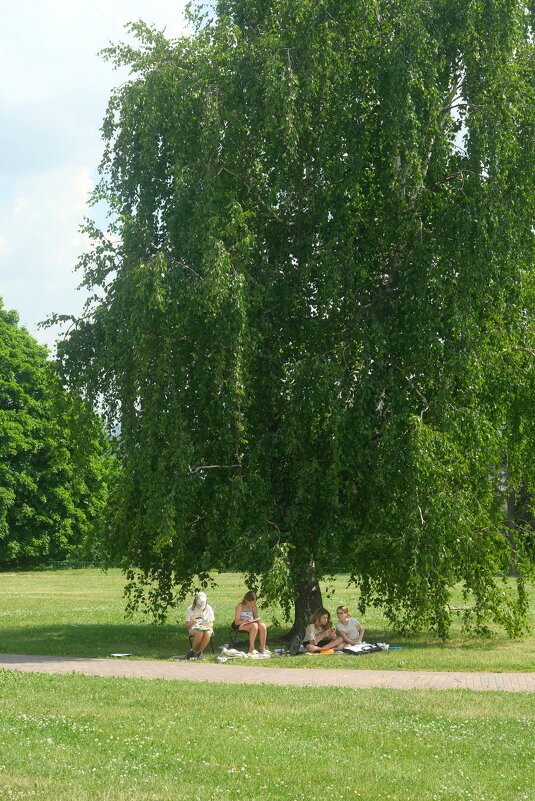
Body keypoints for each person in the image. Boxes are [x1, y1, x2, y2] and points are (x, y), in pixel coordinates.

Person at [233, 590, 270, 656]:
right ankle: (251, 649)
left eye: (253, 603)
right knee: (254, 626)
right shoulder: (240, 606)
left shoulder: (254, 607)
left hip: (250, 623)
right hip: (240, 624)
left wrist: (257, 620)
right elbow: (236, 622)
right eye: (250, 603)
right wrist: (246, 621)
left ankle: (262, 648)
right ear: (246, 600)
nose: (251, 605)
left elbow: (256, 619)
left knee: (263, 626)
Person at [184, 592, 214, 660]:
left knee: (208, 633)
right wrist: (192, 622)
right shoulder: (190, 609)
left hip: (206, 628)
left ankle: (200, 652)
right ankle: (192, 650)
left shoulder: (209, 608)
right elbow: (186, 626)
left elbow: (212, 624)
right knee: (200, 633)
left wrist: (207, 624)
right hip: (193, 628)